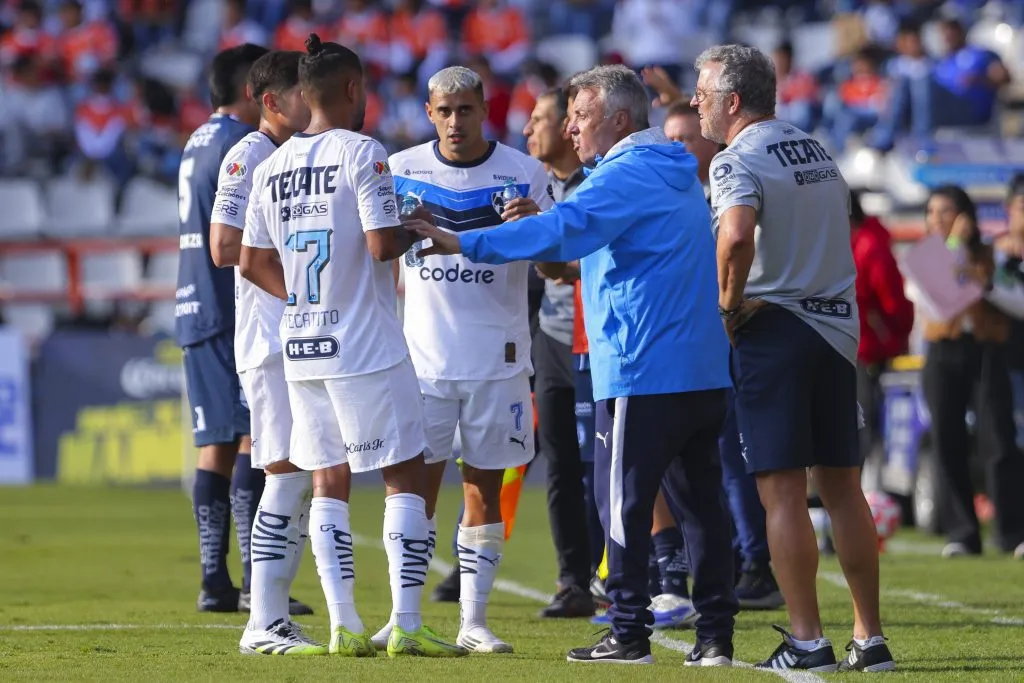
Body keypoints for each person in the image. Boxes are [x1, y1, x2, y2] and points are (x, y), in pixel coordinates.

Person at [413, 64, 738, 667]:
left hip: (642, 369)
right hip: (700, 368)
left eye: (581, 115)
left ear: (619, 119)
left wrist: (465, 240)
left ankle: (629, 634)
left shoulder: (627, 173)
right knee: (702, 508)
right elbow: (577, 245)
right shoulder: (672, 167)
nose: (570, 128)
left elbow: (564, 232)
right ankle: (715, 636)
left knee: (621, 505)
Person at [238, 33, 466, 658]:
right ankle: (409, 623)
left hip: (302, 345)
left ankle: (343, 624)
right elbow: (378, 246)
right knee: (404, 475)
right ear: (352, 89)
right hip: (365, 344)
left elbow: (250, 260)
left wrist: (304, 303)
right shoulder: (363, 152)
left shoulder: (271, 166)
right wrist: (421, 230)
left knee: (326, 480)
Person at [692, 44, 893, 672]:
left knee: (780, 494)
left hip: (773, 328)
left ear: (731, 101)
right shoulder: (817, 149)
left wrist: (727, 306)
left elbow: (736, 233)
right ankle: (870, 637)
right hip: (836, 332)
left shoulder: (735, 159)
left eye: (702, 91)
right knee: (843, 490)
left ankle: (807, 641)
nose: (695, 101)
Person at [370, 65, 550, 654]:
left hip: (498, 362)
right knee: (413, 494)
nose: (454, 122)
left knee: (483, 490)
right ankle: (405, 616)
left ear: (484, 108)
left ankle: (473, 621)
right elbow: (372, 257)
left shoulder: (525, 172)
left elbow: (556, 267)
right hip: (421, 362)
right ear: (429, 113)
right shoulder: (400, 171)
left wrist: (538, 231)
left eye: (465, 110)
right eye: (444, 112)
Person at [207, 49, 322, 654]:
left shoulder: (293, 157)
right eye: (302, 91)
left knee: (298, 473)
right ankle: (263, 621)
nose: (313, 100)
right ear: (271, 101)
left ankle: (273, 613)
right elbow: (224, 246)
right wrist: (297, 293)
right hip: (270, 339)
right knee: (282, 469)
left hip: (296, 337)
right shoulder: (248, 155)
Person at [176, 42, 279, 614]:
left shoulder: (196, 141)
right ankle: (248, 582)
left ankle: (218, 581)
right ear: (251, 91)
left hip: (193, 304)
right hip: (226, 306)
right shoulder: (241, 149)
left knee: (214, 444)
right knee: (247, 438)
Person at [915, 185, 1024, 559]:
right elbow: (943, 299)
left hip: (985, 351)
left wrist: (981, 281)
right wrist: (955, 252)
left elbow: (1015, 299)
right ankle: (962, 534)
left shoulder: (993, 254)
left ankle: (1011, 533)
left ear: (965, 215)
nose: (937, 219)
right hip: (943, 354)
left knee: (998, 440)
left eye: (945, 211)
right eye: (931, 212)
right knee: (947, 441)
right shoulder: (924, 256)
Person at [525, 86, 600, 619]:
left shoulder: (596, 187)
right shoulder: (536, 187)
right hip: (551, 339)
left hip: (595, 340)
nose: (530, 130)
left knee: (602, 465)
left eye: (540, 119)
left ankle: (615, 573)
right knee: (559, 467)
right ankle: (572, 578)